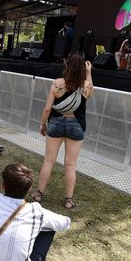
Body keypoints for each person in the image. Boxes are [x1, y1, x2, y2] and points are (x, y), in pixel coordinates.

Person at [33, 53, 94, 209]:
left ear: (67, 66)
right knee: (70, 165)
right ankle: (68, 200)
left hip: (56, 123)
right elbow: (90, 93)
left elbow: (47, 108)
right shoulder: (85, 85)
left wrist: (42, 124)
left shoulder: (57, 84)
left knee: (48, 160)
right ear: (82, 68)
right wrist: (89, 72)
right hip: (76, 125)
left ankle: (39, 194)